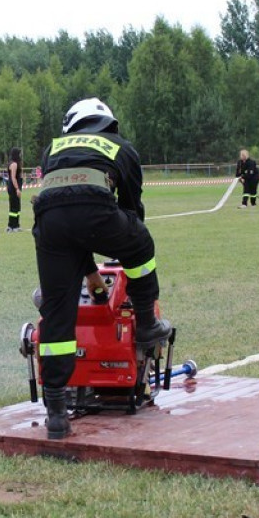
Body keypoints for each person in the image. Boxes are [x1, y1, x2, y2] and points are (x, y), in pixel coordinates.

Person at [31, 98, 170, 441]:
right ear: (108, 123)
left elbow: (65, 208)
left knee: (57, 314)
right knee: (141, 245)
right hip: (96, 211)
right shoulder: (121, 146)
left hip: (48, 224)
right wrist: (125, 242)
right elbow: (131, 209)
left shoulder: (53, 148)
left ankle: (56, 414)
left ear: (72, 125)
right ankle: (147, 324)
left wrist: (90, 274)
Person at [6, 147, 23, 232]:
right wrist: (17, 189)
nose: (20, 155)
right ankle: (11, 226)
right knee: (14, 207)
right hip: (13, 187)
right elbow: (13, 178)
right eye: (19, 153)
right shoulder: (14, 164)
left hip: (15, 186)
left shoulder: (15, 163)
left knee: (17, 206)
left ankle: (16, 225)